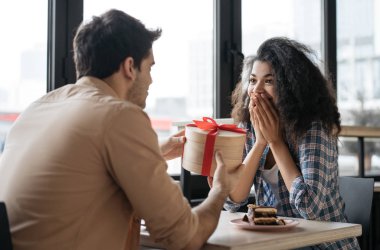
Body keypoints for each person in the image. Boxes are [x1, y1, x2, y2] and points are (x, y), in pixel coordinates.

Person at [0, 9, 242, 250]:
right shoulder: (120, 116)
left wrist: (156, 152)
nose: (151, 80)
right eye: (149, 68)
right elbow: (184, 236)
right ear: (129, 67)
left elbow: (83, 170)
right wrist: (221, 190)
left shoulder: (36, 109)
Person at [224, 37, 360, 249]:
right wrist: (261, 143)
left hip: (321, 244)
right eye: (252, 80)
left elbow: (310, 208)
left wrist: (276, 142)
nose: (256, 90)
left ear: (290, 86)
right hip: (276, 243)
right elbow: (233, 201)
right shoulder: (251, 126)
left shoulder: (313, 128)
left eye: (269, 81)